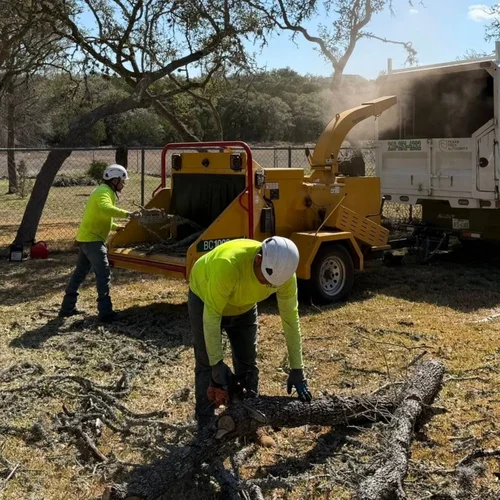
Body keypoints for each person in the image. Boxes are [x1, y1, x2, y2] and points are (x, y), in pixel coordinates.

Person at [188, 236, 312, 445]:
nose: (267, 286)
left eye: (272, 285)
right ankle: (206, 426)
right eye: (264, 279)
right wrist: (217, 362)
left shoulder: (284, 276)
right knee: (206, 364)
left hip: (244, 306)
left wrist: (297, 368)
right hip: (204, 298)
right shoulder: (228, 265)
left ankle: (250, 425)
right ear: (258, 260)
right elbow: (211, 316)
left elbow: (291, 319)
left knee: (248, 364)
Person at [59, 164, 140, 323]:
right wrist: (128, 215)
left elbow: (101, 216)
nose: (123, 184)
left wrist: (116, 227)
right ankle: (106, 313)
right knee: (103, 275)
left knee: (79, 274)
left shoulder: (102, 190)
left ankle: (66, 308)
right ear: (115, 180)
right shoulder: (104, 192)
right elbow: (105, 209)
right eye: (122, 181)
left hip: (86, 238)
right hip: (93, 241)